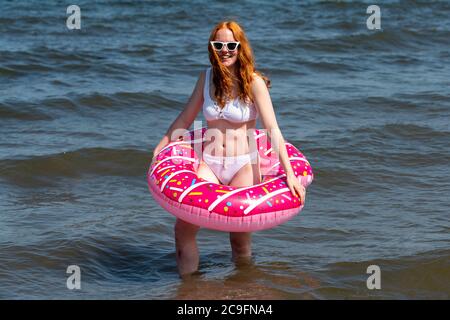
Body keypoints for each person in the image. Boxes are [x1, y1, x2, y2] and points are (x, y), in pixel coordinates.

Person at [152, 20, 306, 276]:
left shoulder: (253, 82)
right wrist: (159, 149)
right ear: (212, 47)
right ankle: (188, 289)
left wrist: (290, 173)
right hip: (210, 162)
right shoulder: (206, 77)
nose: (225, 49)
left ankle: (244, 289)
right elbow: (184, 119)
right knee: (183, 229)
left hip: (244, 164)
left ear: (240, 46)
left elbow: (272, 129)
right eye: (219, 44)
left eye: (231, 44)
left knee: (239, 239)